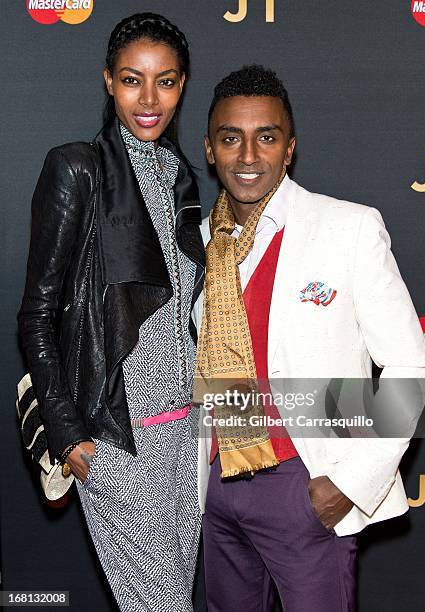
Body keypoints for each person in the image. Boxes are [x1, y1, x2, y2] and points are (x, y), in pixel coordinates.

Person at [192, 65, 425, 611]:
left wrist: (346, 485)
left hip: (304, 485)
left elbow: (413, 370)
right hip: (216, 486)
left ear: (290, 148)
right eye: (232, 139)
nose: (249, 156)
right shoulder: (205, 240)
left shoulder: (346, 228)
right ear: (211, 149)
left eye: (267, 138)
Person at [18, 12, 204, 612]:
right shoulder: (77, 169)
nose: (149, 99)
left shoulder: (181, 178)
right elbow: (37, 315)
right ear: (107, 81)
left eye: (166, 81)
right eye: (132, 80)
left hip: (186, 437)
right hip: (117, 438)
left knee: (173, 599)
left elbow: (188, 318)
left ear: (182, 85)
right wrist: (70, 435)